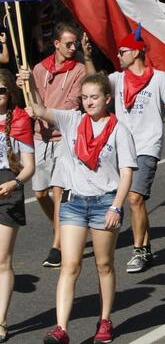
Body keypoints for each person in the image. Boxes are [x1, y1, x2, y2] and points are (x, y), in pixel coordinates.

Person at [31, 74, 137, 344]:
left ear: (107, 99)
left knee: (103, 264)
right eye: (85, 97)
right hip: (74, 202)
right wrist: (28, 83)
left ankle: (104, 321)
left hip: (105, 203)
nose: (89, 102)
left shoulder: (119, 131)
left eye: (95, 97)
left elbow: (126, 174)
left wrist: (116, 206)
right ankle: (61, 329)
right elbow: (39, 110)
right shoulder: (72, 121)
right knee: (70, 265)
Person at [83, 30, 165, 273]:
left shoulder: (159, 78)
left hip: (147, 145)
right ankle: (147, 247)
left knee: (134, 198)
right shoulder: (117, 79)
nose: (119, 56)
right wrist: (88, 58)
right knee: (137, 203)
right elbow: (94, 86)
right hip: (122, 147)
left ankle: (138, 251)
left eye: (122, 52)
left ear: (136, 52)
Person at [20, 23, 86, 269]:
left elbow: (70, 108)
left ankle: (57, 246)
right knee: (39, 193)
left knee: (59, 192)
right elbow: (34, 103)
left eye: (75, 43)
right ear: (56, 44)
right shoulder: (39, 68)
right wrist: (29, 86)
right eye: (68, 43)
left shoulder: (78, 70)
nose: (72, 47)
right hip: (40, 136)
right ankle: (60, 227)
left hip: (63, 137)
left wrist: (41, 110)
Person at [0, 70, 35, 342]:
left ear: (10, 92)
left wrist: (14, 183)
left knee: (2, 261)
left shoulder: (20, 120)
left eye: (1, 90)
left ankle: (0, 321)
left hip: (7, 190)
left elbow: (29, 167)